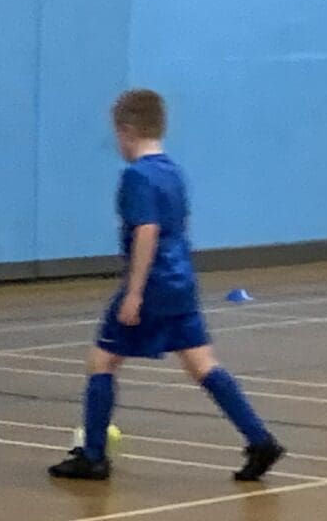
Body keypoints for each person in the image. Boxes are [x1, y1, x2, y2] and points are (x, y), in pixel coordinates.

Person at [49, 88, 286, 484]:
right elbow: (181, 227)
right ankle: (260, 439)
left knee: (102, 360)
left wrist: (135, 292)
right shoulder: (173, 172)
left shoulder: (136, 176)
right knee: (201, 363)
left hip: (153, 283)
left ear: (126, 130)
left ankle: (92, 456)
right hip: (181, 282)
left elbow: (147, 231)